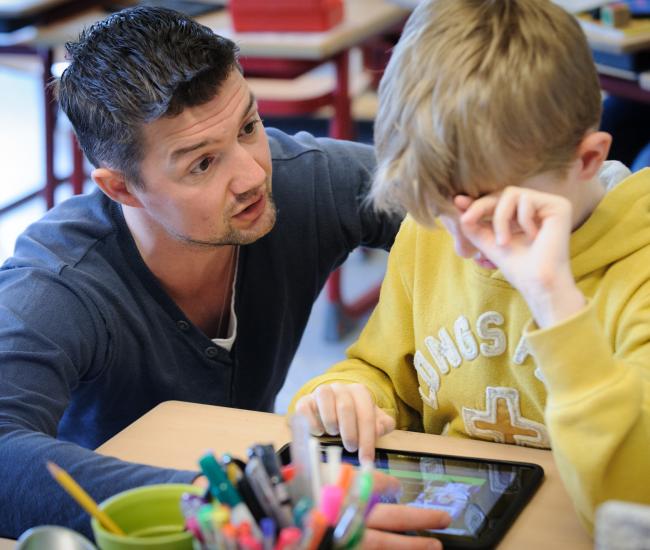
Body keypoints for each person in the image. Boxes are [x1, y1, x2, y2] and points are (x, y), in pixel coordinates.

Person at [0, 6, 452, 546]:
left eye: (248, 127)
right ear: (120, 188)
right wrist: (239, 506)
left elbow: (462, 201)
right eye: (202, 164)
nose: (252, 174)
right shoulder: (57, 283)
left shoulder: (301, 181)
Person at [292, 0, 650, 534]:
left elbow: (632, 502)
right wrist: (351, 393)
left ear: (587, 161)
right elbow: (386, 372)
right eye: (438, 211)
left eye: (491, 214)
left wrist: (554, 298)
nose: (460, 246)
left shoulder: (636, 267)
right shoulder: (432, 236)